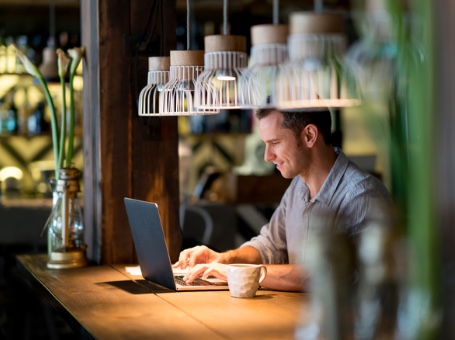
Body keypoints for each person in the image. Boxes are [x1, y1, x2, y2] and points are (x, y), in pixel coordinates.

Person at [173, 108, 392, 292]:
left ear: (309, 136)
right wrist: (222, 259)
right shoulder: (298, 185)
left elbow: (324, 274)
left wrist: (239, 273)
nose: (267, 156)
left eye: (275, 142)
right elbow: (270, 245)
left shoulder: (362, 195)